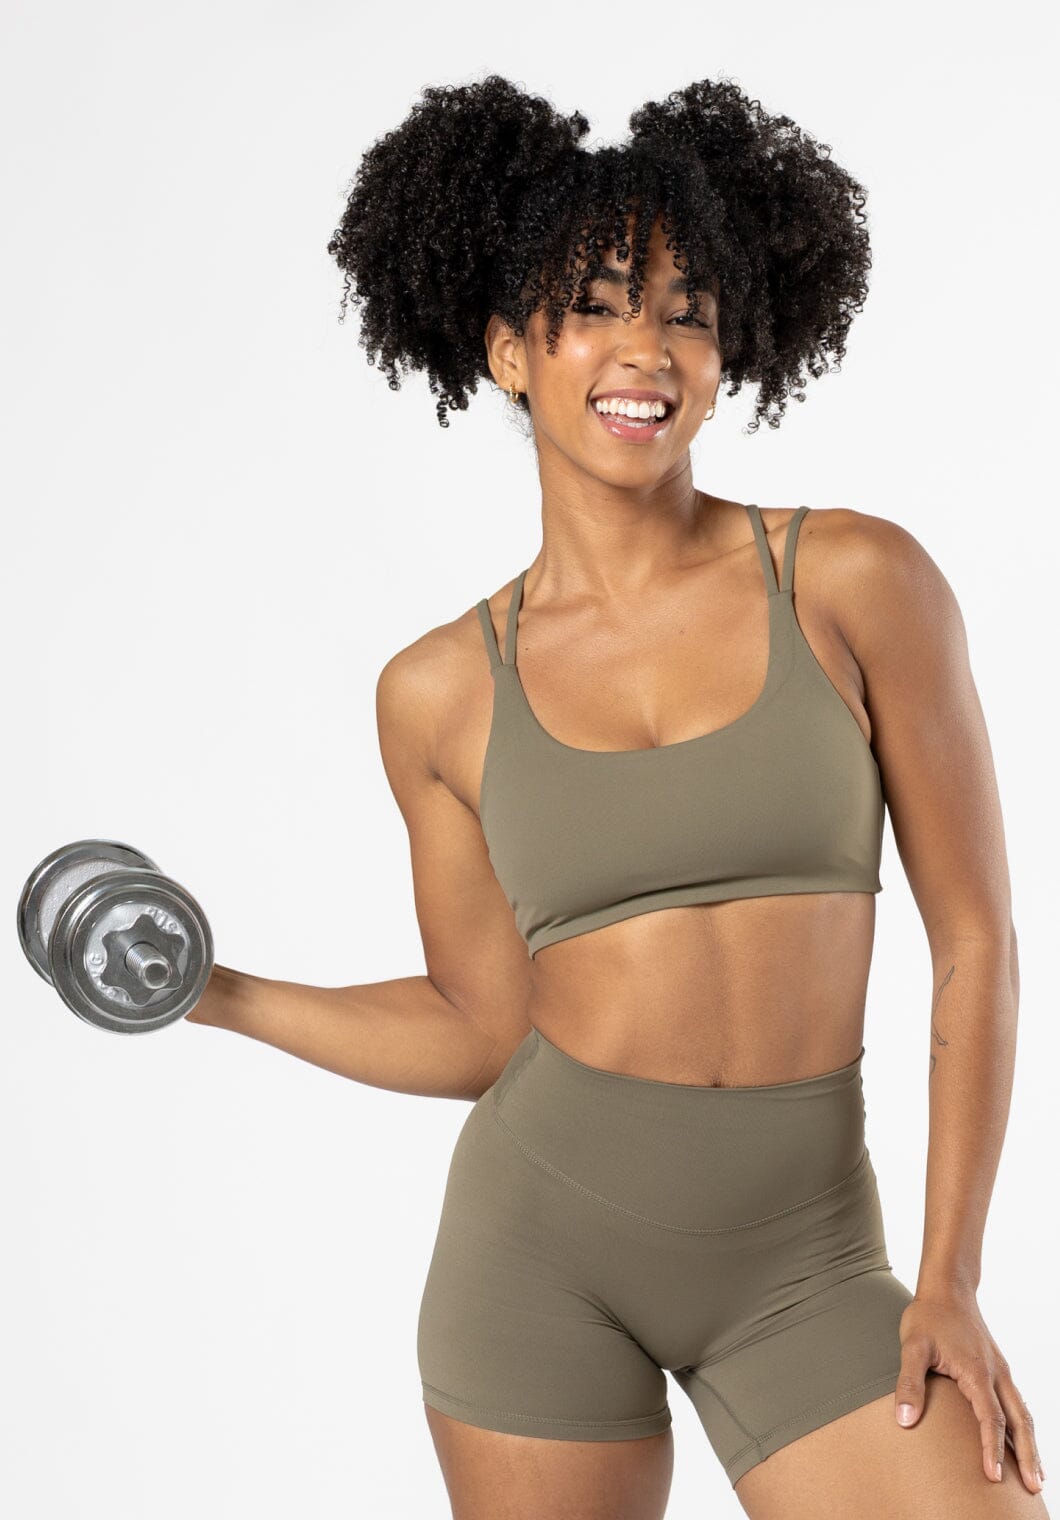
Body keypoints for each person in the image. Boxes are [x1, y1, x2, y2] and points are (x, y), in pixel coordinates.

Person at [189, 75, 1048, 1519]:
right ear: (508, 352)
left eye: (687, 313)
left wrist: (950, 1277)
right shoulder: (438, 694)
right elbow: (480, 1024)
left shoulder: (855, 584)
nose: (646, 348)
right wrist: (216, 994)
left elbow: (976, 940)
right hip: (541, 1257)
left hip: (808, 1265)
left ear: (730, 350)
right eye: (593, 307)